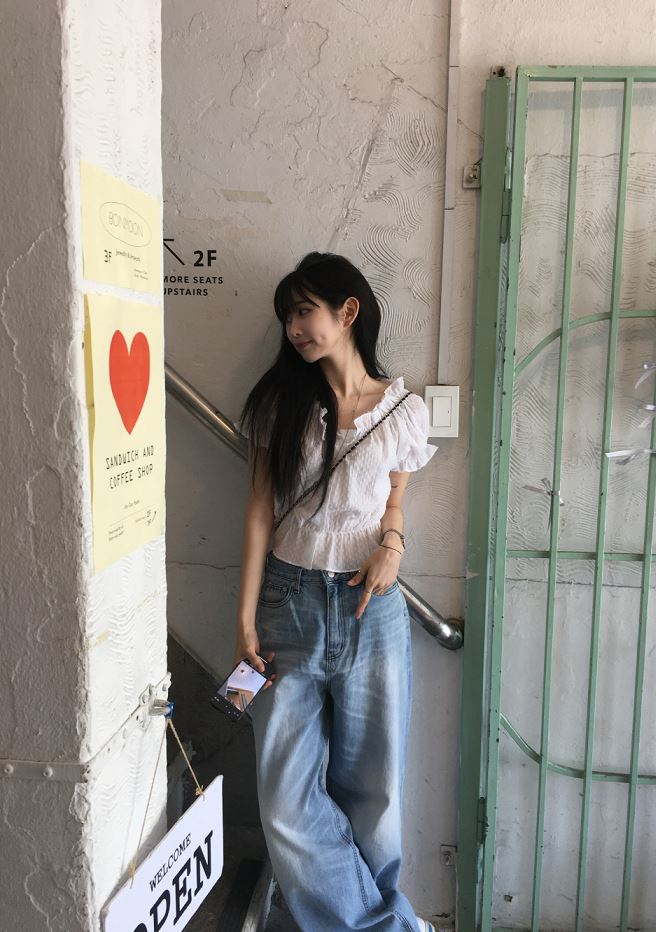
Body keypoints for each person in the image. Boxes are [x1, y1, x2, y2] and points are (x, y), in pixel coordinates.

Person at [234, 251, 438, 932]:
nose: (293, 328)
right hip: (285, 606)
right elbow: (259, 512)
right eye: (287, 316)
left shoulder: (404, 411)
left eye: (304, 311)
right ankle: (389, 927)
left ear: (348, 311)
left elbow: (394, 503)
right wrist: (244, 619)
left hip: (369, 610)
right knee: (285, 802)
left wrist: (393, 546)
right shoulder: (280, 404)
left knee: (373, 794)